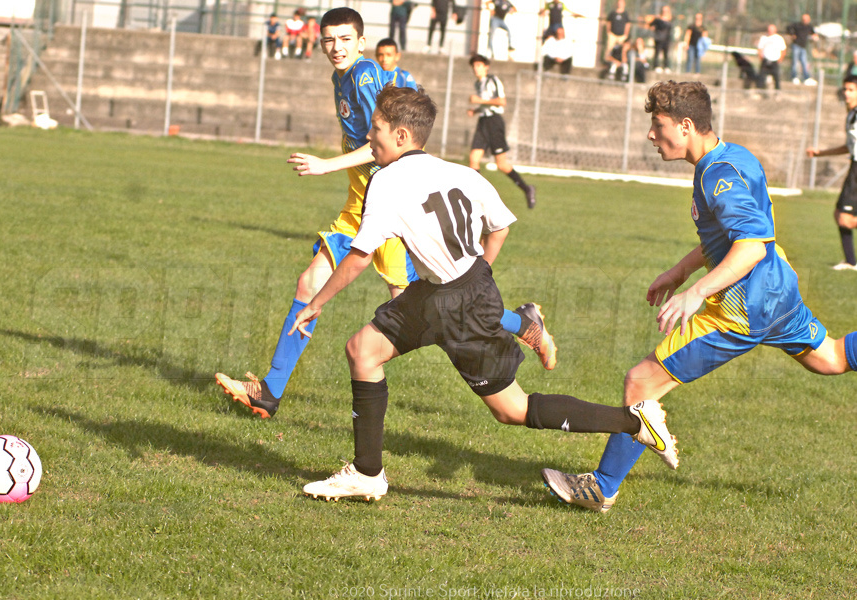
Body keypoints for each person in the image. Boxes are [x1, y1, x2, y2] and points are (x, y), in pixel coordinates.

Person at [292, 84, 678, 502]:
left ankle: (635, 422)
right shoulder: (460, 173)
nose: (369, 137)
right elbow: (500, 227)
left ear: (401, 136)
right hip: (446, 289)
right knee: (362, 350)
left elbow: (359, 257)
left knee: (512, 409)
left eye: (376, 129)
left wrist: (315, 304)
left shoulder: (386, 181)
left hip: (455, 303)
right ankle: (367, 473)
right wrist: (478, 281)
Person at [215, 8, 556, 420]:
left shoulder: (363, 76)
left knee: (434, 307)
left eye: (345, 39)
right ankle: (269, 392)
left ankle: (522, 325)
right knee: (310, 283)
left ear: (361, 42)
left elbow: (382, 141)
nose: (336, 47)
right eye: (329, 39)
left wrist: (326, 165)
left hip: (388, 209)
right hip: (359, 204)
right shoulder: (342, 77)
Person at [544, 80, 857, 513]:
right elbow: (731, 238)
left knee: (641, 382)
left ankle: (602, 487)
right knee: (831, 358)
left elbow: (750, 246)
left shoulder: (717, 175)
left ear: (686, 126)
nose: (651, 135)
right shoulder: (734, 156)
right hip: (777, 288)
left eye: (658, 125)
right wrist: (680, 271)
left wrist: (695, 292)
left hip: (742, 308)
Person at [467, 53, 536, 209]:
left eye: (479, 65)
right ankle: (477, 197)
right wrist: (476, 110)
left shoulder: (493, 80)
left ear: (486, 67)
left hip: (494, 122)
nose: (476, 69)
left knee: (502, 164)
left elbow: (501, 101)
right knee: (473, 160)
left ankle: (527, 189)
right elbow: (486, 104)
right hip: (483, 121)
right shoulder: (478, 84)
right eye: (474, 66)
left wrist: (479, 101)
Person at [806, 75, 857, 271]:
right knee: (839, 215)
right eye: (845, 89)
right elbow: (849, 147)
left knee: (845, 218)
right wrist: (821, 153)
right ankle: (850, 262)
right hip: (854, 166)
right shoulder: (851, 115)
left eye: (851, 90)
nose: (846, 93)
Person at [787, 13, 817, 85]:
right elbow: (788, 28)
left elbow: (813, 33)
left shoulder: (809, 26)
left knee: (804, 63)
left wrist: (814, 36)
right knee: (794, 62)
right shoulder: (797, 25)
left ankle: (806, 77)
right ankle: (794, 77)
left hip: (803, 47)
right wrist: (792, 34)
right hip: (796, 45)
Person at [757, 24, 787, 94]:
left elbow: (783, 50)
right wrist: (761, 57)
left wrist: (780, 59)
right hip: (765, 60)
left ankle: (777, 93)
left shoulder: (779, 38)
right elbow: (760, 49)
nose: (770, 31)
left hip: (775, 61)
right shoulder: (764, 38)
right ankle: (759, 92)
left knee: (776, 77)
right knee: (761, 77)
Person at [644, 5, 673, 73]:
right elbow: (650, 24)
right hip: (659, 38)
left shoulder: (670, 19)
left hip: (666, 39)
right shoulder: (658, 19)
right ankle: (656, 66)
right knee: (657, 53)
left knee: (666, 53)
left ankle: (666, 67)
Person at [603, 0, 631, 65]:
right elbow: (608, 23)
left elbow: (628, 24)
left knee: (621, 50)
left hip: (622, 36)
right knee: (609, 48)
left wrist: (626, 34)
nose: (620, 4)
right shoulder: (612, 13)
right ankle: (606, 62)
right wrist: (609, 32)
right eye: (619, 3)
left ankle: (621, 63)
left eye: (621, 3)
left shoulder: (625, 14)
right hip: (612, 35)